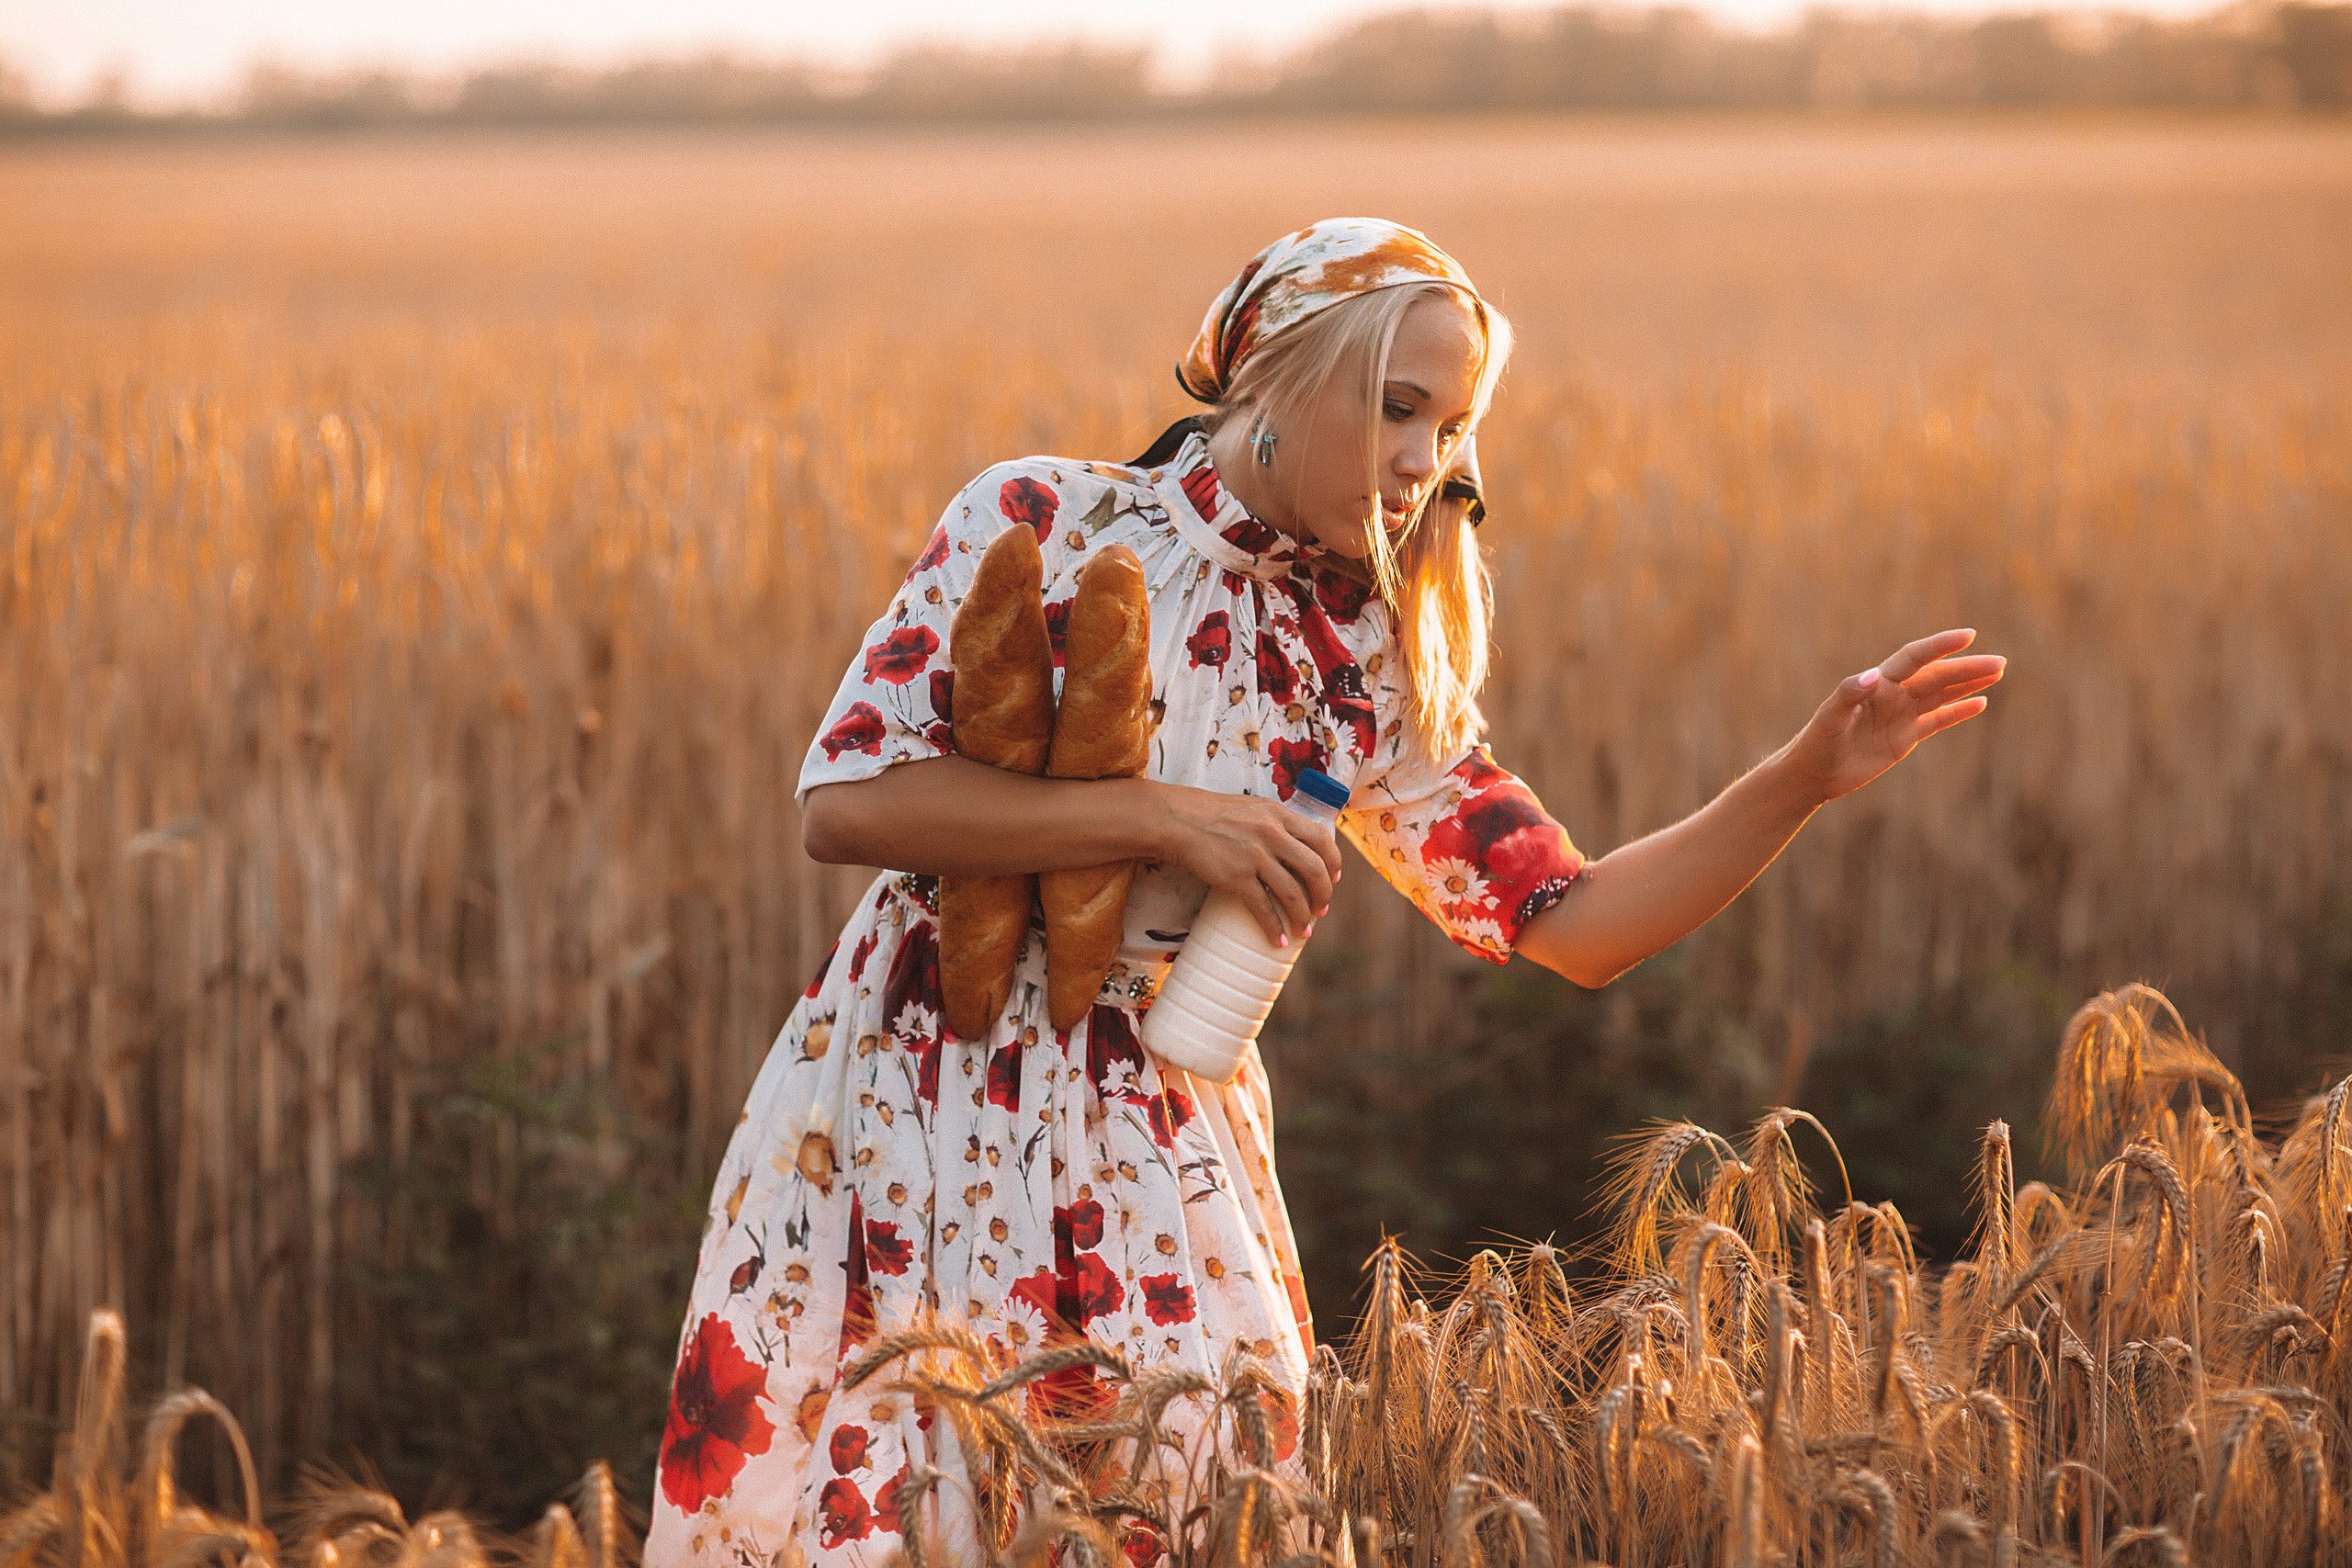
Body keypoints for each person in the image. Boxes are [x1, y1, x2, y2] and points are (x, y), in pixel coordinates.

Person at [642, 219, 2005, 1568]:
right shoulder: (1043, 518)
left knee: (1201, 1501)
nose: (1427, 462)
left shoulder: (1362, 651)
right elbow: (848, 805)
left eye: (1455, 427)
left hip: (1163, 1132)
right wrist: (1169, 821)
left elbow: (1578, 929)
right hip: (915, 1097)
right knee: (907, 1518)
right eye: (1398, 408)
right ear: (1280, 373)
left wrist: (1802, 779)